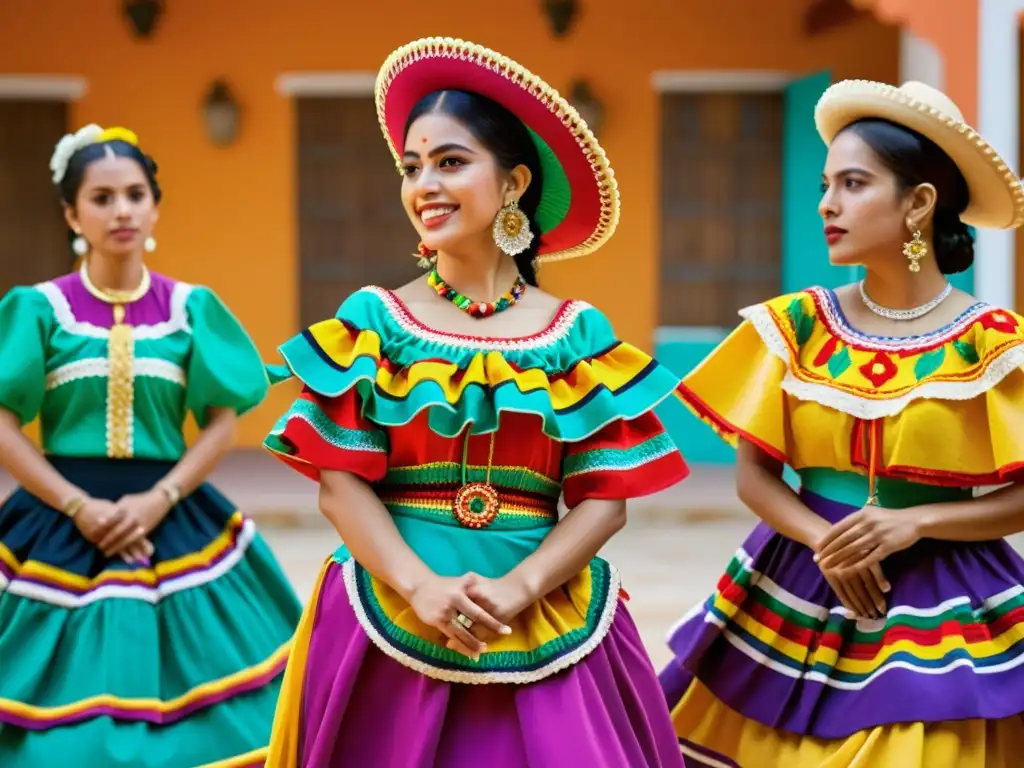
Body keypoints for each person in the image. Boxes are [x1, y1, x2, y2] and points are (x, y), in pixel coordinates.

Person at [263, 37, 690, 767]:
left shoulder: (577, 333)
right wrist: (420, 587)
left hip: (547, 612)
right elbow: (340, 486)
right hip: (389, 613)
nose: (423, 183)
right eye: (411, 166)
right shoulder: (376, 322)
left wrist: (522, 586)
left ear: (515, 182)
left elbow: (604, 498)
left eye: (450, 162)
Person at [660, 80, 1024, 767]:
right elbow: (754, 473)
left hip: (947, 600)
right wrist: (827, 540)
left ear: (918, 204)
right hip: (798, 582)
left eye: (853, 184)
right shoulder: (795, 326)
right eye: (827, 184)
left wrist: (917, 522)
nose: (827, 204)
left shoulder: (994, 343)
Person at [0, 124, 302, 768]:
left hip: (174, 516)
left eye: (135, 194)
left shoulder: (192, 308)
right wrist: (78, 506)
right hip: (55, 518)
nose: (122, 211)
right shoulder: (38, 309)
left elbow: (222, 421)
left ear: (155, 205)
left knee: (233, 721)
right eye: (102, 198)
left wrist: (161, 498)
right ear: (71, 212)